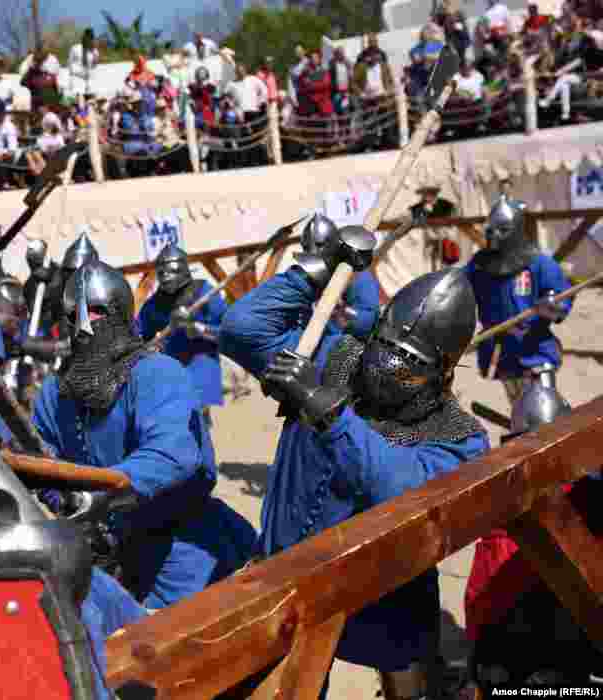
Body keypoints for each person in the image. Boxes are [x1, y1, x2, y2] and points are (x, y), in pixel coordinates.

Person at [221, 239, 489, 698]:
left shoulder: (460, 436)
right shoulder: (333, 358)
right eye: (384, 347)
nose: (387, 367)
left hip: (384, 598)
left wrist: (328, 411)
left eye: (409, 363)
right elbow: (240, 328)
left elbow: (403, 490)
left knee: (409, 687)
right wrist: (315, 270)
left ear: (443, 370)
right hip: (285, 578)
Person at [33, 261, 256, 609]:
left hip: (185, 549)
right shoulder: (54, 392)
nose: (82, 325)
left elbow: (172, 454)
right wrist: (63, 500)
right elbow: (42, 461)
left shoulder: (157, 373)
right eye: (73, 314)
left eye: (94, 312)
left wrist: (104, 493)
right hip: (106, 551)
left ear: (119, 315)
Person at [463, 379, 603, 691]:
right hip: (553, 648)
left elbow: (481, 604)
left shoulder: (510, 511)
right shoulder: (589, 492)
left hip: (547, 650)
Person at [464, 193, 572, 407]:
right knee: (521, 414)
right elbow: (460, 291)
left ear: (516, 231)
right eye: (491, 230)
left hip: (535, 351)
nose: (495, 236)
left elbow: (562, 302)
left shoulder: (539, 264)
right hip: (502, 353)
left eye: (502, 230)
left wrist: (551, 306)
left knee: (545, 413)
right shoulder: (479, 266)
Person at [137, 243, 226, 420]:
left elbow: (229, 332)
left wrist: (199, 329)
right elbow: (139, 338)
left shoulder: (203, 292)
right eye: (162, 273)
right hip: (169, 372)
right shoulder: (153, 305)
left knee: (195, 418)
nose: (167, 276)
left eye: (171, 271)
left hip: (200, 366)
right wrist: (150, 346)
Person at [68, 29, 99, 101]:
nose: (89, 40)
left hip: (89, 79)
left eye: (91, 38)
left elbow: (94, 66)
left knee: (92, 100)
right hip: (77, 78)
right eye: (87, 37)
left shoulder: (94, 51)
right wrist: (77, 73)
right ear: (84, 37)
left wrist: (94, 56)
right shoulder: (75, 48)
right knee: (80, 99)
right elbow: (70, 63)